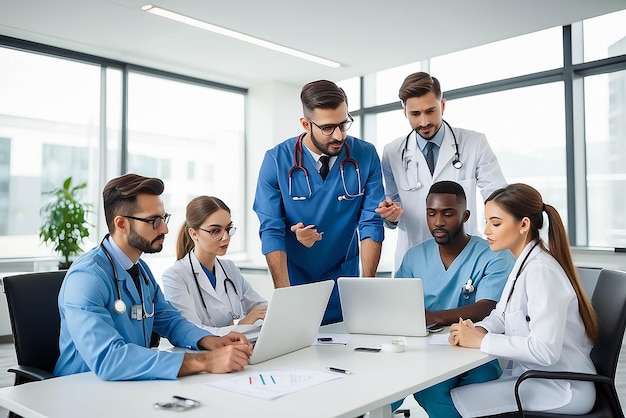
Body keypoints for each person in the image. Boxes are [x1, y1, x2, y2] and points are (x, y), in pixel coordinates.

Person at [54, 174, 253, 381]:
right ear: (122, 224)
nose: (165, 228)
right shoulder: (86, 278)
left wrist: (211, 341)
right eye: (153, 221)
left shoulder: (141, 270)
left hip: (130, 383)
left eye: (163, 218)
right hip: (82, 388)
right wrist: (207, 362)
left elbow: (170, 320)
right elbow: (109, 359)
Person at [449, 183, 598, 416]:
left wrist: (481, 342)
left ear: (524, 225)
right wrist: (478, 330)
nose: (486, 231)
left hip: (562, 387)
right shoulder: (523, 263)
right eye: (487, 222)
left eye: (495, 223)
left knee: (457, 401)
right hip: (537, 379)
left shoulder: (541, 270)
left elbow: (544, 351)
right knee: (460, 393)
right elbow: (502, 314)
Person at [253, 79, 385, 325]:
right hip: (295, 280)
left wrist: (368, 287)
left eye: (343, 124)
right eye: (327, 128)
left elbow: (371, 223)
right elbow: (271, 230)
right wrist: (284, 296)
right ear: (305, 124)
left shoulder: (365, 155)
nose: (339, 135)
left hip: (345, 280)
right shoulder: (276, 161)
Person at [392, 180, 515, 417]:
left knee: (451, 386)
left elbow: (487, 308)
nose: (438, 222)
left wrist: (432, 317)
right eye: (431, 214)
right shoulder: (414, 256)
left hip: (476, 353)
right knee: (393, 387)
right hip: (423, 351)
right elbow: (398, 304)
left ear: (465, 215)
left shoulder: (493, 254)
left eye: (448, 214)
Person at [377, 72, 507, 270]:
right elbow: (392, 205)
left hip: (464, 257)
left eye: (430, 111)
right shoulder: (392, 152)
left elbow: (499, 198)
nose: (424, 122)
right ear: (405, 112)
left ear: (443, 106)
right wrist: (390, 216)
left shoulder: (474, 144)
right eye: (415, 114)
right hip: (414, 257)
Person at [162, 196, 268, 336]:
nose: (226, 237)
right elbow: (190, 332)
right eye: (216, 231)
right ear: (194, 234)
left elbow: (261, 308)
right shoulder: (175, 276)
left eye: (228, 228)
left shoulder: (229, 268)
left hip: (237, 347)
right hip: (202, 354)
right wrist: (245, 324)